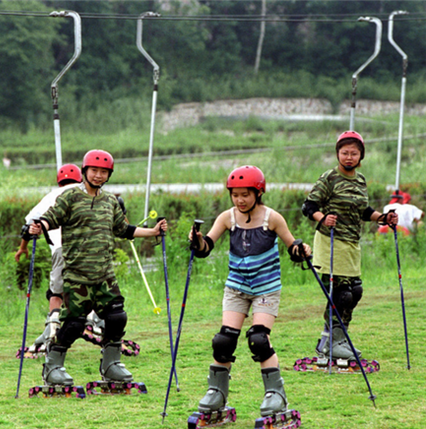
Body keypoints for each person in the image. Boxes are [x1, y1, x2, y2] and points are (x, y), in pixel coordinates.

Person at [28, 149, 167, 388]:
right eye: (94, 171)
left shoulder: (110, 201)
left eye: (104, 172)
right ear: (85, 171)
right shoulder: (70, 196)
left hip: (104, 275)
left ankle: (111, 364)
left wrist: (153, 232)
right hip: (77, 275)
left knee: (117, 317)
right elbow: (50, 217)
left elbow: (124, 229)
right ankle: (52, 367)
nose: (99, 176)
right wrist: (39, 227)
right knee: (73, 324)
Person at [189, 165, 311, 420]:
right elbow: (205, 247)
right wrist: (197, 240)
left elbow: (292, 246)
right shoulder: (227, 217)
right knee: (223, 341)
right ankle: (216, 393)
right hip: (237, 287)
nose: (240, 200)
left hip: (266, 288)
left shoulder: (272, 218)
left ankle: (275, 395)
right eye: (235, 195)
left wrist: (302, 250)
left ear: (259, 192)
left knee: (258, 339)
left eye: (245, 194)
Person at [301, 131, 397, 361]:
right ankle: (333, 342)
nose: (349, 157)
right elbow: (308, 206)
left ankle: (334, 339)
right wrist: (322, 218)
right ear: (337, 154)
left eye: (354, 153)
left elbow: (363, 211)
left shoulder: (361, 180)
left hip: (352, 242)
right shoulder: (329, 178)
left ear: (361, 155)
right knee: (341, 294)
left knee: (355, 291)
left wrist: (382, 218)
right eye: (344, 153)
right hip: (330, 241)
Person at [15, 163, 82, 354]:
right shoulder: (85, 191)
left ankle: (53, 325)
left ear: (59, 181)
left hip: (61, 249)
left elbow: (28, 225)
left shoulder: (50, 197)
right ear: (80, 177)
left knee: (56, 293)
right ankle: (94, 318)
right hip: (87, 248)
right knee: (89, 287)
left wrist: (22, 249)